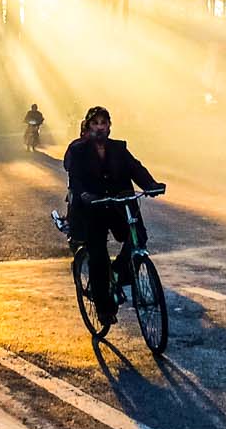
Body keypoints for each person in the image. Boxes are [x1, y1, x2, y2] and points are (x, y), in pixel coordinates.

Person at [62, 106, 161, 326]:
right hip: (92, 208)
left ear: (109, 126)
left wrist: (151, 185)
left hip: (118, 205)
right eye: (95, 123)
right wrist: (84, 194)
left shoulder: (118, 148)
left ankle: (117, 273)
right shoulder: (78, 150)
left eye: (103, 123)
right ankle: (104, 308)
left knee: (138, 237)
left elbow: (135, 168)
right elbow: (74, 177)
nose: (100, 127)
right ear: (88, 126)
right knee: (97, 257)